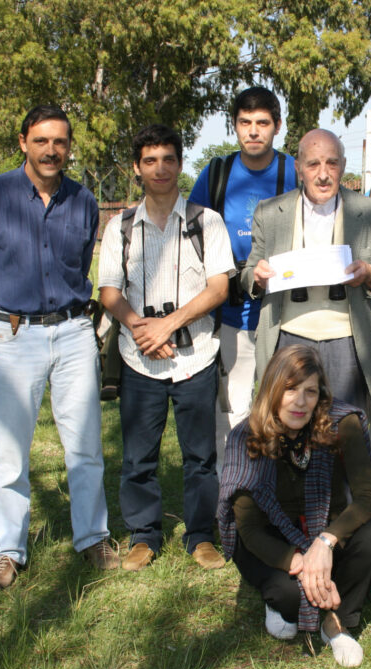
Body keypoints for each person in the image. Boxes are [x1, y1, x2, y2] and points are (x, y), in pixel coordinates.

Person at [0, 105, 119, 590]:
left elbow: (80, 270)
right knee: (10, 450)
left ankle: (92, 537)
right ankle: (7, 551)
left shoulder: (83, 201)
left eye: (61, 142)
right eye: (42, 140)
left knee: (85, 445)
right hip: (14, 333)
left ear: (69, 147)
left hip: (73, 333)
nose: (52, 150)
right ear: (23, 141)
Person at [97, 124, 235, 571]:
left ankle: (200, 536)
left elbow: (218, 288)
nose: (161, 169)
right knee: (139, 456)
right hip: (140, 359)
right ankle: (144, 535)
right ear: (137, 167)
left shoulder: (205, 222)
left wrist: (169, 325)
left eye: (169, 159)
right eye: (150, 160)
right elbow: (109, 292)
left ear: (180, 164)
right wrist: (142, 329)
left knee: (200, 456)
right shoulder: (119, 227)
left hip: (195, 356)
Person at [217, 345, 371, 668]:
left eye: (310, 392)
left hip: (323, 530)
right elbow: (250, 529)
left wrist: (325, 543)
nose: (300, 401)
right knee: (289, 596)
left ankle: (336, 622)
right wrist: (300, 562)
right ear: (272, 390)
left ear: (321, 395)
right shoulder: (246, 437)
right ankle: (284, 600)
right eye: (290, 389)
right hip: (269, 539)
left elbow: (368, 498)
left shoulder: (342, 423)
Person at [240, 129, 371, 414]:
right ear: (298, 168)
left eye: (332, 163)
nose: (323, 174)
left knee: (346, 433)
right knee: (288, 431)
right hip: (287, 336)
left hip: (348, 342)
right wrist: (256, 276)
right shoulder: (269, 212)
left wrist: (369, 273)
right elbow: (249, 271)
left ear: (343, 164)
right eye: (313, 164)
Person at [189, 86, 298, 465]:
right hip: (229, 315)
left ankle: (280, 489)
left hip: (282, 314)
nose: (253, 131)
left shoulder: (293, 172)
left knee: (284, 408)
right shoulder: (217, 174)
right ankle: (233, 493)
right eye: (245, 122)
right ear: (235, 126)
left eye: (262, 123)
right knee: (232, 412)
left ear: (277, 126)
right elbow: (191, 234)